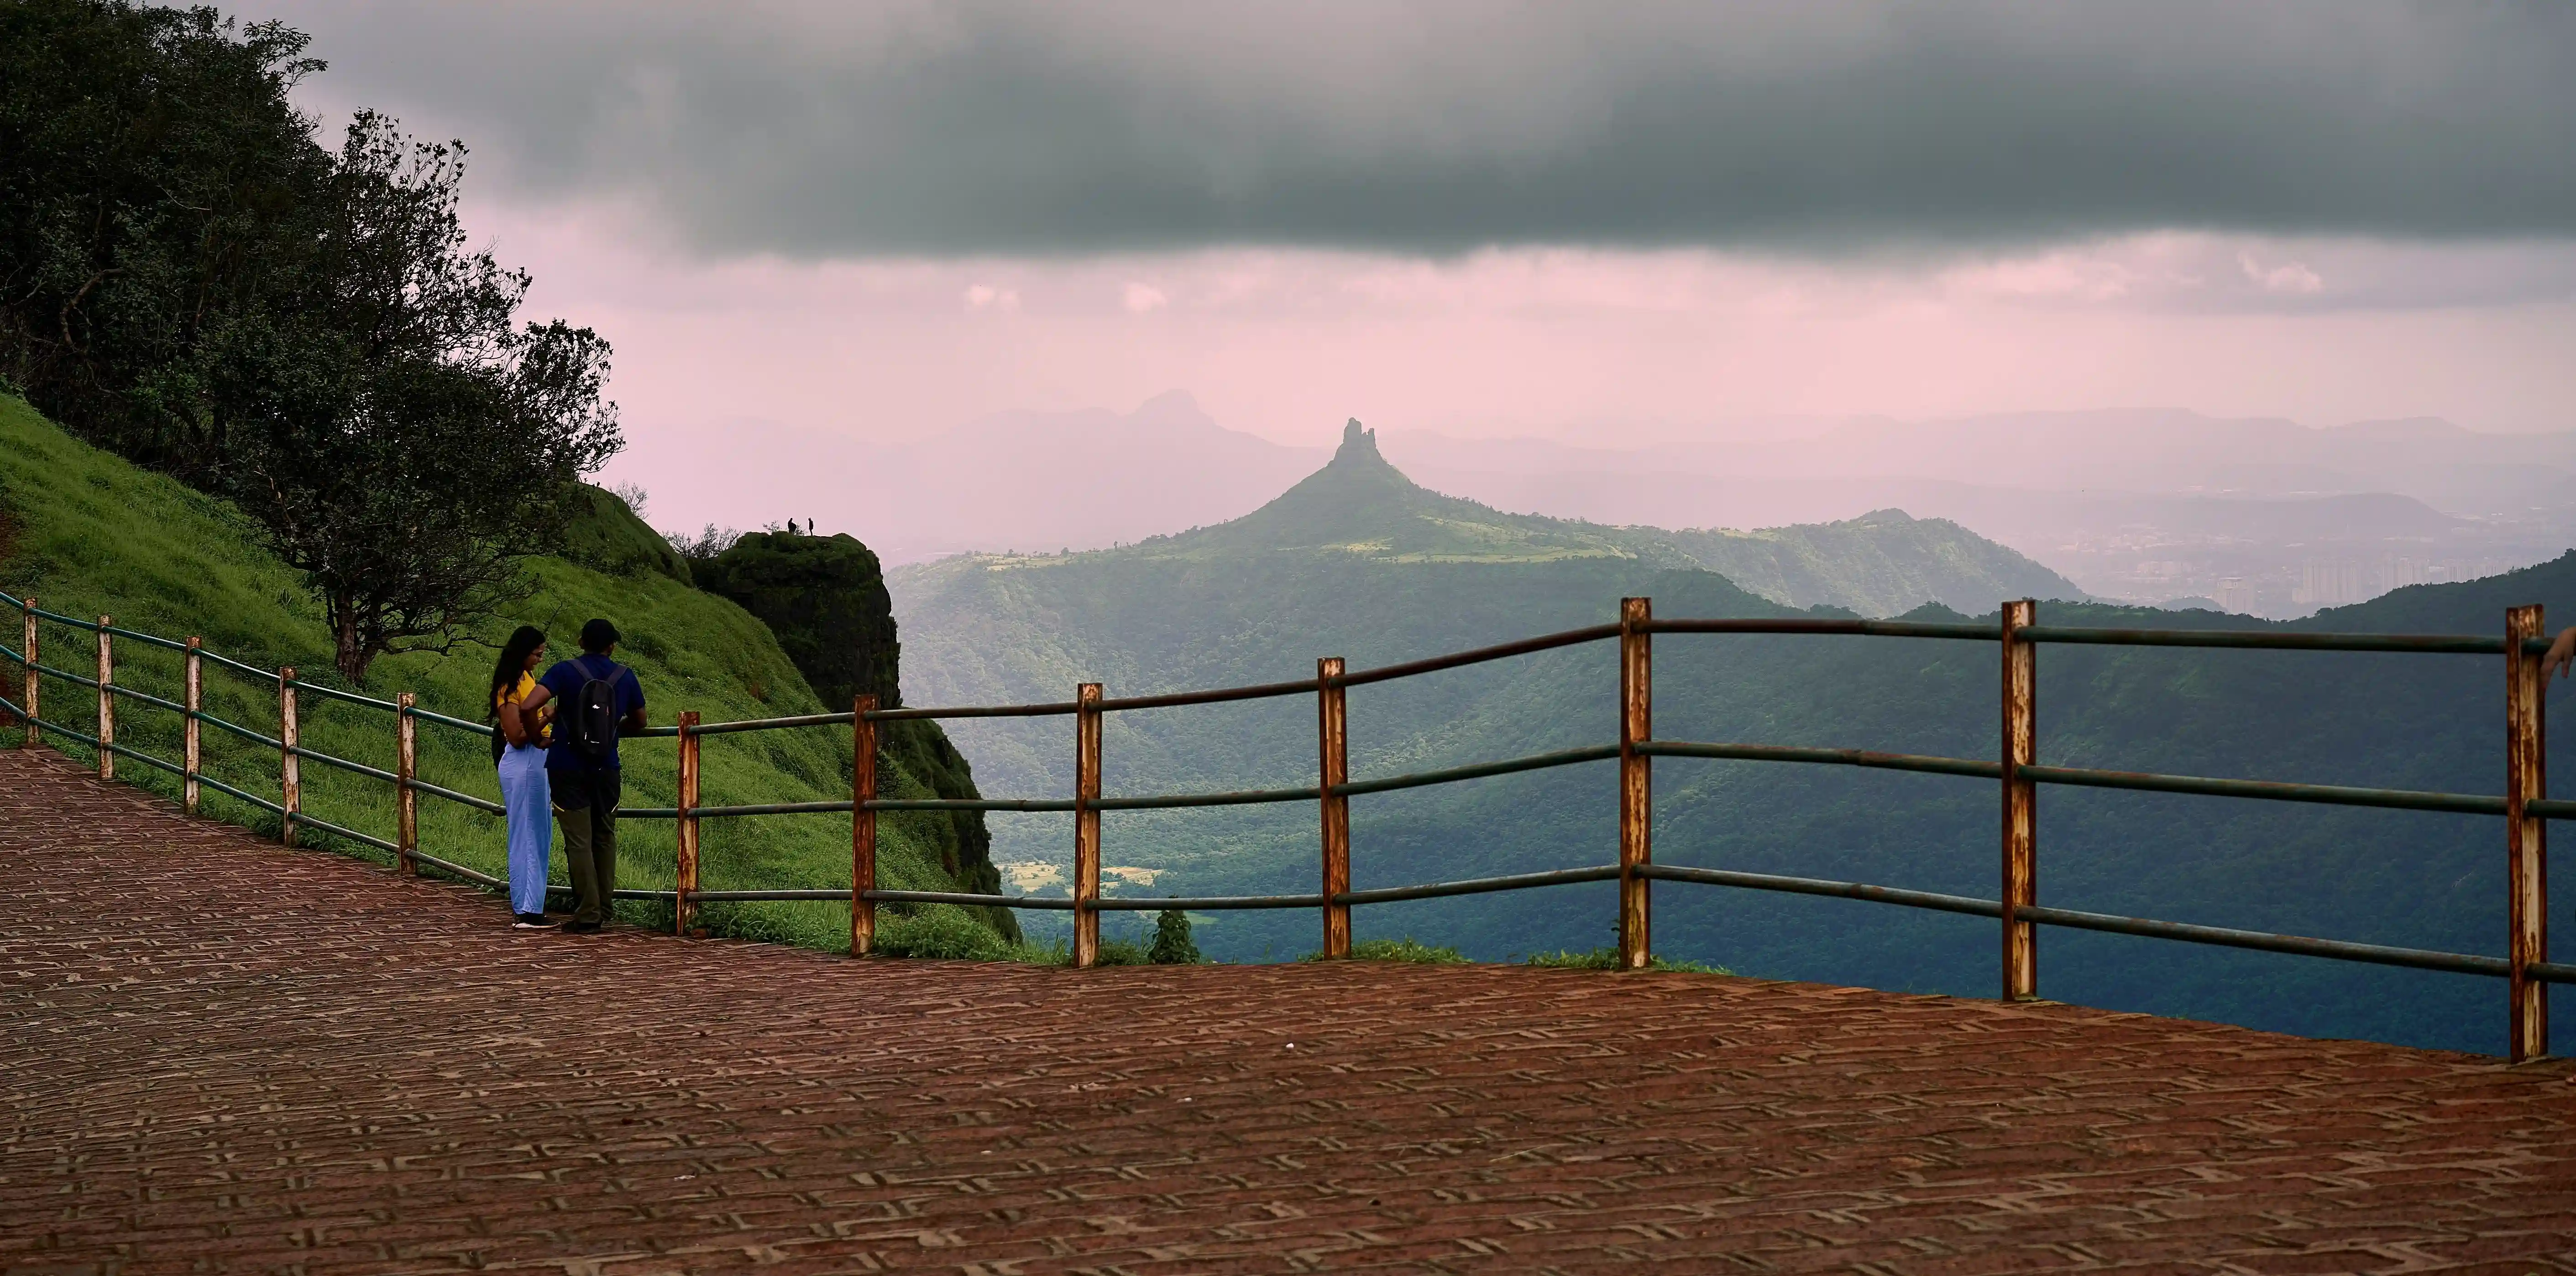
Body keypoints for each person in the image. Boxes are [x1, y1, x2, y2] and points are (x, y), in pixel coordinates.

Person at [519, 618, 648, 933]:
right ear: (612, 646)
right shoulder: (625, 676)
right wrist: (613, 730)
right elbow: (641, 721)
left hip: (567, 766)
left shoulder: (565, 671)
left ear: (580, 642)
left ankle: (588, 915)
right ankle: (605, 908)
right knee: (605, 837)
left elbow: (529, 705)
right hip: (607, 768)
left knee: (578, 841)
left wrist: (538, 736)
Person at [487, 626, 557, 929]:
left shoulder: (526, 679)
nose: (540, 660)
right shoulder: (511, 684)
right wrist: (548, 717)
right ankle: (529, 910)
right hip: (525, 759)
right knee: (530, 834)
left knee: (536, 834)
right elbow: (516, 735)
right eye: (536, 654)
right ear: (523, 652)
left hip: (535, 760)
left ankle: (528, 905)